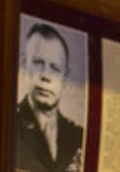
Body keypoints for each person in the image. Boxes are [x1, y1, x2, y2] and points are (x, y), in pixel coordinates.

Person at [16, 22, 85, 172]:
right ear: (24, 64)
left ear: (65, 78)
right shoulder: (9, 124)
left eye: (55, 68)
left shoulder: (78, 136)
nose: (45, 75)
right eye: (38, 63)